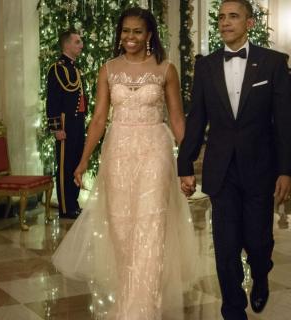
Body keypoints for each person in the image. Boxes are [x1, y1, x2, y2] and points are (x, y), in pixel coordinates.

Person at [52, 7, 198, 319]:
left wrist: (186, 164)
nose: (130, 37)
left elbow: (176, 120)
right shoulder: (108, 69)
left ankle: (145, 309)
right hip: (117, 152)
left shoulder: (165, 69)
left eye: (137, 31)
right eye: (126, 31)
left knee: (151, 225)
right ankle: (128, 299)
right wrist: (81, 162)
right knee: (120, 228)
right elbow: (99, 119)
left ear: (149, 35)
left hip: (154, 150)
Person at [177, 0, 291, 318]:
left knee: (257, 242)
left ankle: (260, 274)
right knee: (226, 245)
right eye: (221, 17)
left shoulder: (272, 63)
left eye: (233, 16)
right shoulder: (206, 66)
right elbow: (196, 118)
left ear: (249, 23)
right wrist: (185, 164)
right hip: (221, 169)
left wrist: (286, 170)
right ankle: (232, 308)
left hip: (260, 167)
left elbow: (285, 122)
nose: (225, 22)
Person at [46, 30, 87, 219]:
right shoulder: (57, 68)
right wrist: (56, 128)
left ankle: (74, 202)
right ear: (67, 45)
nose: (81, 45)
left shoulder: (76, 69)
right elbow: (52, 100)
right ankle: (65, 207)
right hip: (65, 123)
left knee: (77, 161)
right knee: (65, 165)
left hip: (77, 122)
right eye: (77, 42)